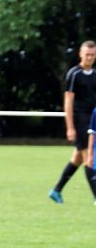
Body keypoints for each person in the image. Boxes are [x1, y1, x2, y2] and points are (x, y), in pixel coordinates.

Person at [48, 40, 96, 204]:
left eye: (93, 55)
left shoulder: (95, 74)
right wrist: (70, 127)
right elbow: (68, 101)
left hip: (92, 120)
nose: (90, 57)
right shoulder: (74, 74)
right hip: (79, 120)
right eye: (87, 54)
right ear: (80, 54)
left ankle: (56, 190)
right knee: (89, 158)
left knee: (78, 158)